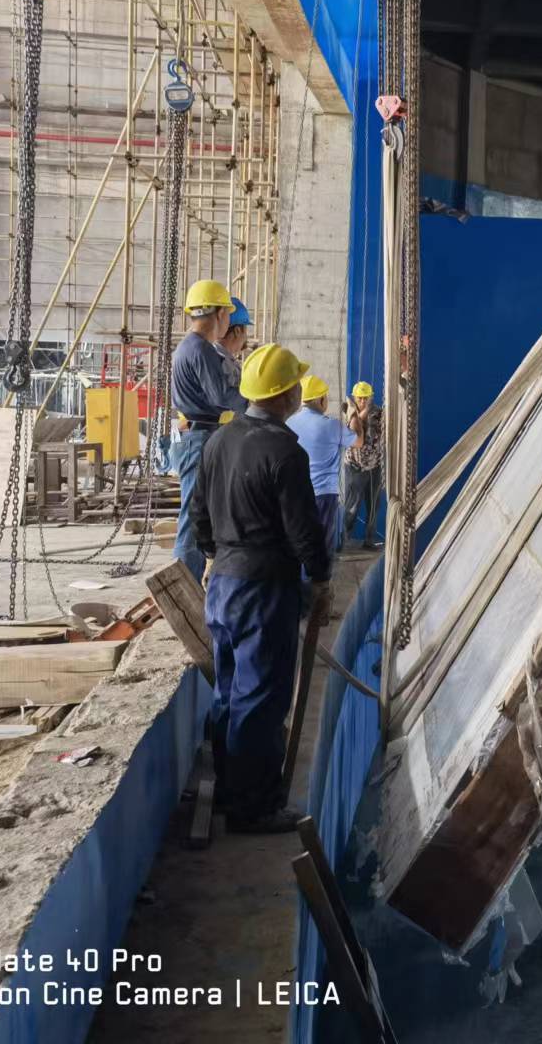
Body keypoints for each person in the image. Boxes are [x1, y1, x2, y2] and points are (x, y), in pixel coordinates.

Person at [188, 343, 333, 833]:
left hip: (224, 585)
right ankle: (253, 810)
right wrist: (320, 577)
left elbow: (198, 516)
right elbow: (303, 529)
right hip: (264, 589)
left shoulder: (218, 443)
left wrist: (211, 555)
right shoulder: (284, 452)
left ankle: (228, 788)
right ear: (286, 393)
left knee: (229, 691)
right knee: (261, 699)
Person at [170, 280, 246, 582]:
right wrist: (253, 401)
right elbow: (218, 397)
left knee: (201, 511)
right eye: (227, 313)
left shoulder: (190, 346)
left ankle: (190, 579)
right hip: (199, 437)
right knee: (193, 515)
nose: (228, 321)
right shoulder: (200, 349)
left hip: (197, 435)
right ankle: (183, 585)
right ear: (218, 314)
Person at [286, 374, 355, 562]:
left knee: (299, 541)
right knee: (322, 546)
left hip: (296, 493)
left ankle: (301, 585)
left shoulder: (288, 423)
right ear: (321, 399)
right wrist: (353, 414)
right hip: (324, 495)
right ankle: (319, 586)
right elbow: (358, 441)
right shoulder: (332, 426)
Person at [341, 381, 384, 549]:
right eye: (360, 398)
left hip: (373, 466)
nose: (363, 401)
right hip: (355, 467)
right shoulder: (348, 411)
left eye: (366, 398)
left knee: (373, 505)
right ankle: (343, 539)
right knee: (352, 505)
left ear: (371, 398)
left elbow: (380, 432)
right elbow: (351, 432)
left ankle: (369, 540)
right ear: (354, 397)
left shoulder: (379, 414)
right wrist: (361, 415)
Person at [219, 299, 251, 378]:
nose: (246, 338)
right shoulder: (225, 364)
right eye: (246, 331)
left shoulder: (210, 354)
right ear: (237, 330)